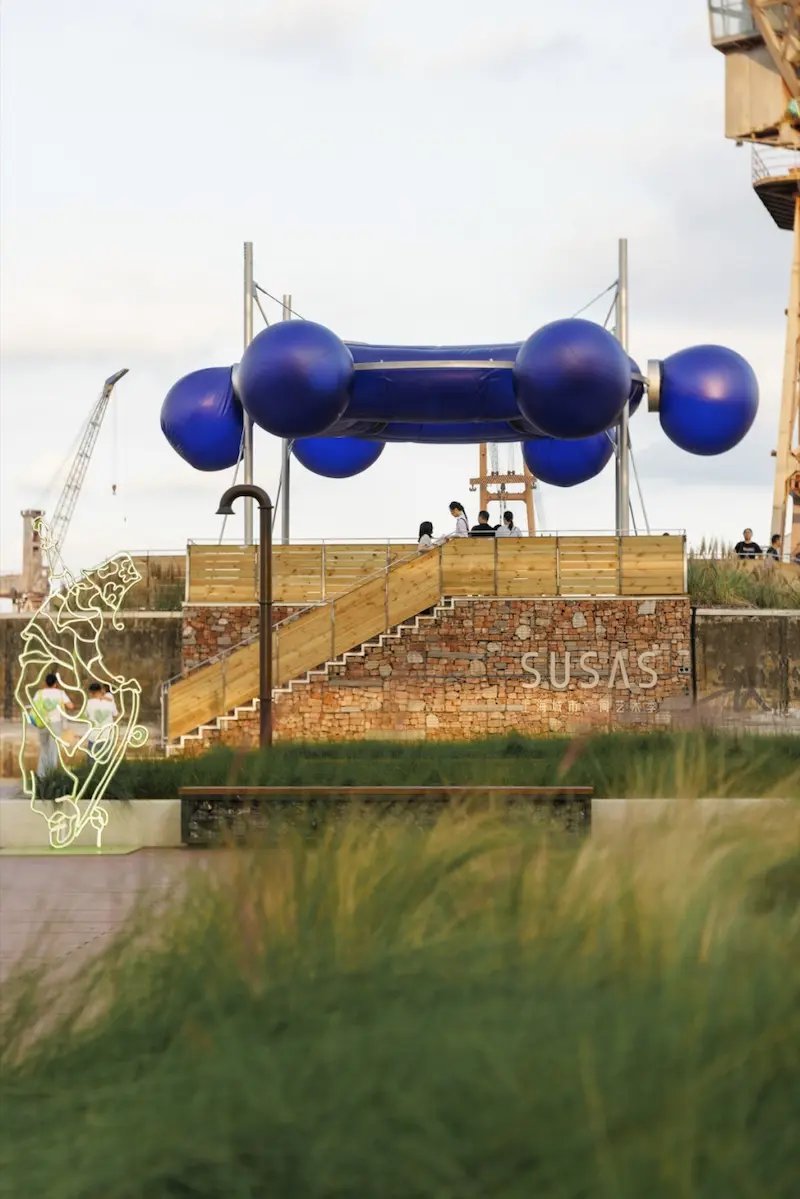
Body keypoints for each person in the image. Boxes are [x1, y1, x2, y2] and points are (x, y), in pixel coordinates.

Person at [30, 671, 73, 778]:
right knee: (53, 750)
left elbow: (34, 706)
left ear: (45, 682)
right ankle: (51, 775)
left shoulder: (39, 693)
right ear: (55, 683)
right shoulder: (60, 693)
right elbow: (70, 706)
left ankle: (41, 774)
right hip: (55, 724)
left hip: (42, 723)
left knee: (44, 748)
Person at [85, 681, 118, 757]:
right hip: (107, 735)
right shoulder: (110, 702)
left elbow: (85, 715)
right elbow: (116, 714)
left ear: (91, 693)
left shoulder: (88, 703)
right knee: (107, 760)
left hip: (93, 736)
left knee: (92, 759)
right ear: (101, 691)